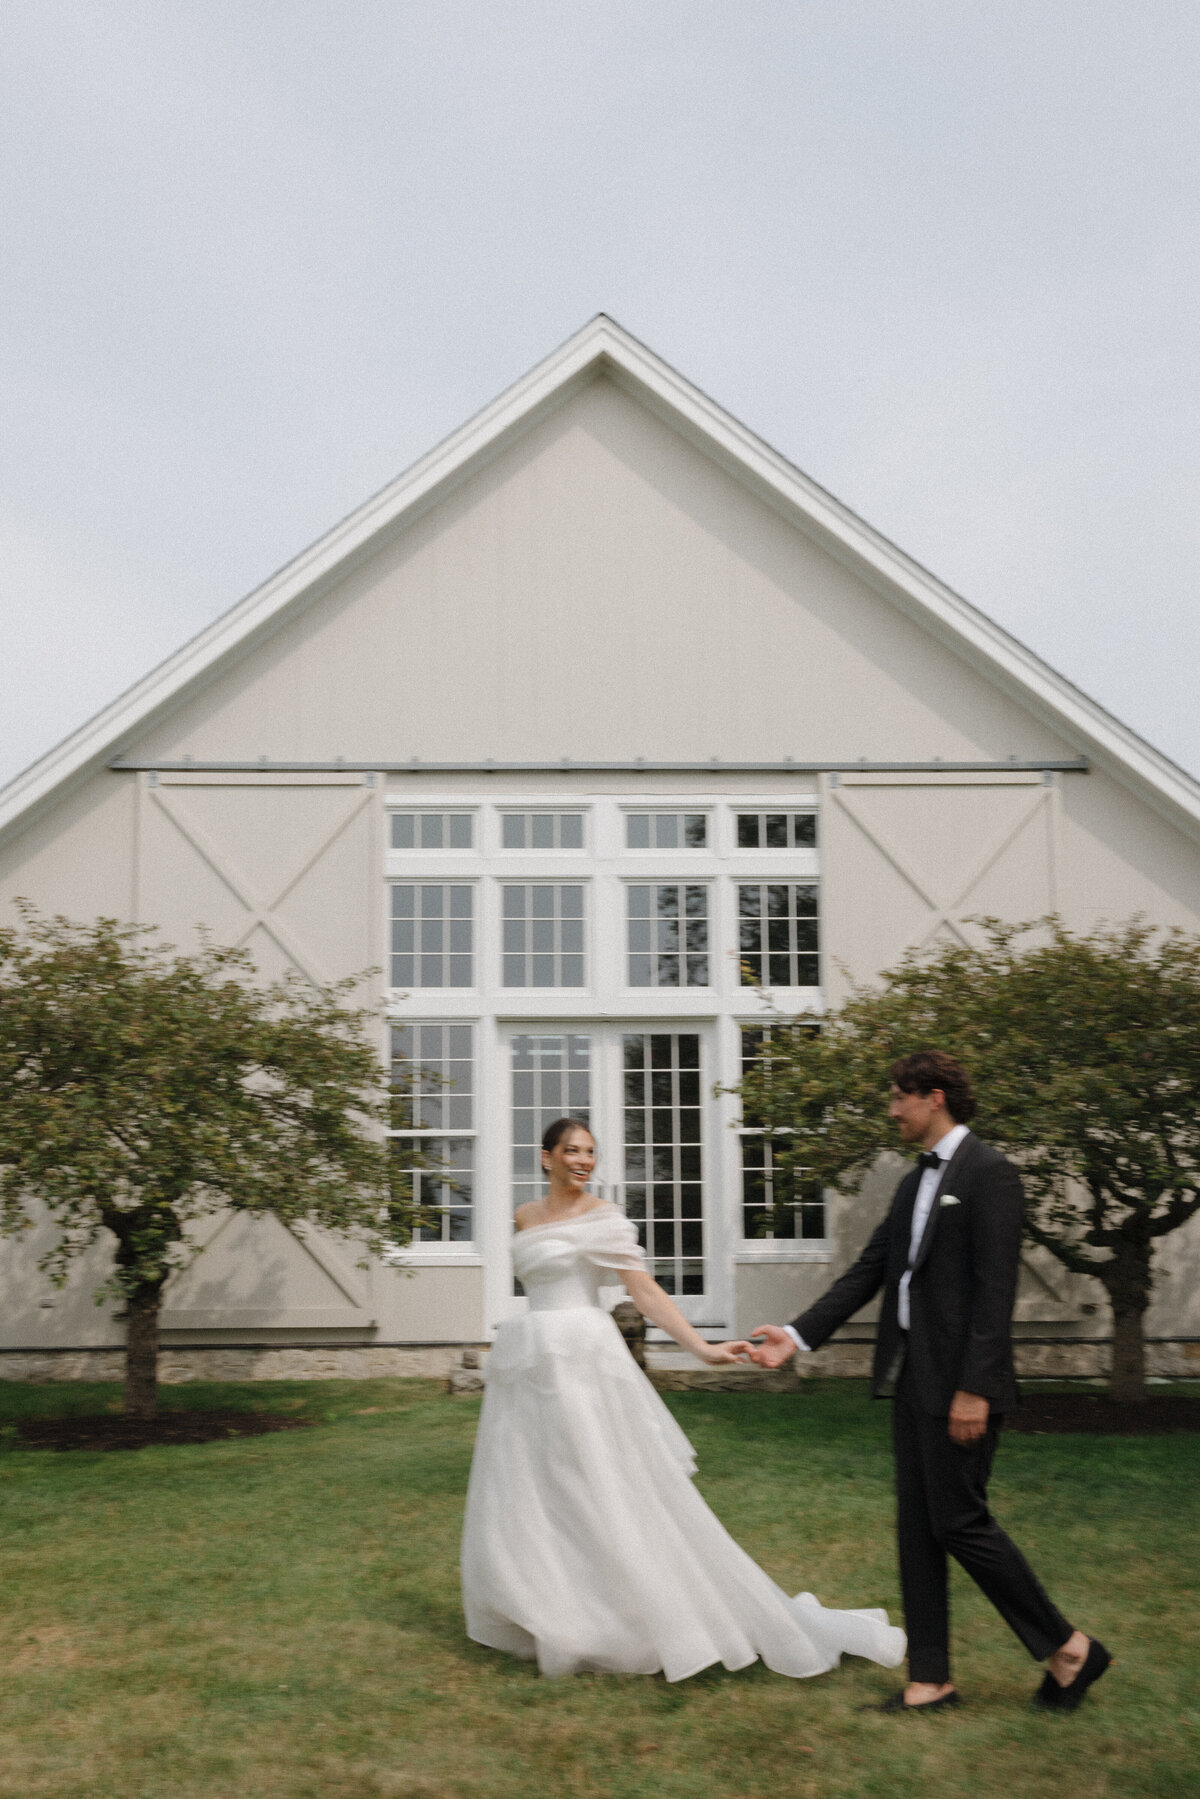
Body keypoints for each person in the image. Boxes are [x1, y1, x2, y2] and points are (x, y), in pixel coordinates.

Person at [460, 1116, 906, 1682]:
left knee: (595, 1485)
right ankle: (553, 1609)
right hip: (529, 1364)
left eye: (591, 1152)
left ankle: (638, 1616)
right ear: (545, 1157)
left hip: (581, 1364)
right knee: (536, 1489)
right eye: (571, 1150)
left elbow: (644, 1290)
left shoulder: (604, 1219)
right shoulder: (524, 1216)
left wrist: (700, 1347)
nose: (583, 1160)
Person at [749, 1050, 1110, 1713]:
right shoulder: (915, 1181)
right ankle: (931, 1678)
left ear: (933, 1096)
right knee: (918, 1527)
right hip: (915, 1374)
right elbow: (872, 1267)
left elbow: (994, 1289)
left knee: (961, 1521)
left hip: (964, 1382)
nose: (891, 1110)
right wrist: (796, 1335)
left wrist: (974, 1387)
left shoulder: (991, 1173)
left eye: (898, 1097)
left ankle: (1070, 1647)